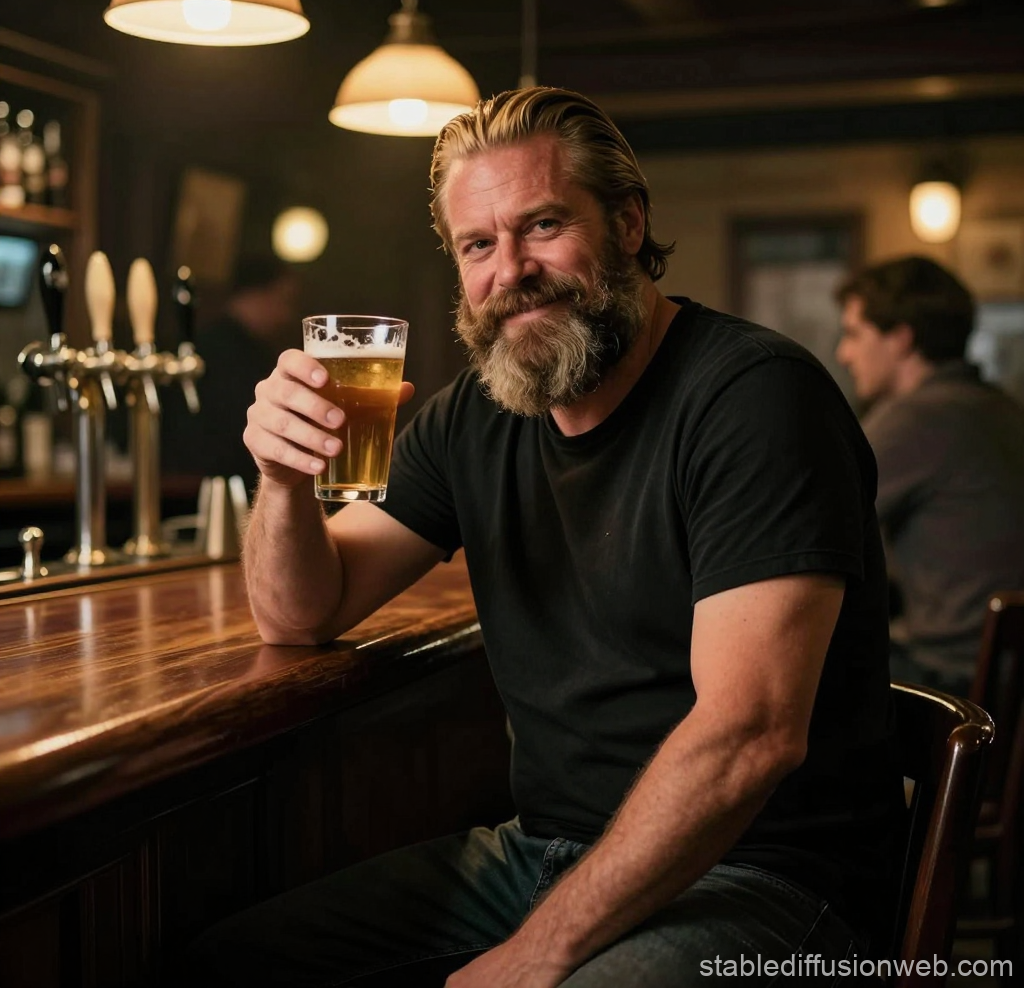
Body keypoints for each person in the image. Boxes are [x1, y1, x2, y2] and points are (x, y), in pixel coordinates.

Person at [188, 87, 903, 987]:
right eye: (478, 245)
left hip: (770, 884)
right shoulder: (476, 418)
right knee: (230, 965)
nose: (511, 268)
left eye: (544, 225)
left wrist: (537, 954)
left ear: (630, 223)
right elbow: (302, 612)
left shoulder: (754, 400)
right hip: (546, 856)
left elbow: (750, 734)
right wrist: (285, 479)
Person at [835, 256, 1024, 698]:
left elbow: (806, 523)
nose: (844, 353)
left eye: (853, 334)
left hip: (954, 678)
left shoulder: (918, 416)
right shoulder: (1001, 408)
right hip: (1006, 673)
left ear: (900, 339)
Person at [163, 254, 302, 495]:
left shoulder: (208, 341)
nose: (285, 315)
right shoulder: (241, 356)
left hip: (188, 484)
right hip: (207, 489)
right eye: (284, 301)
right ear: (258, 295)